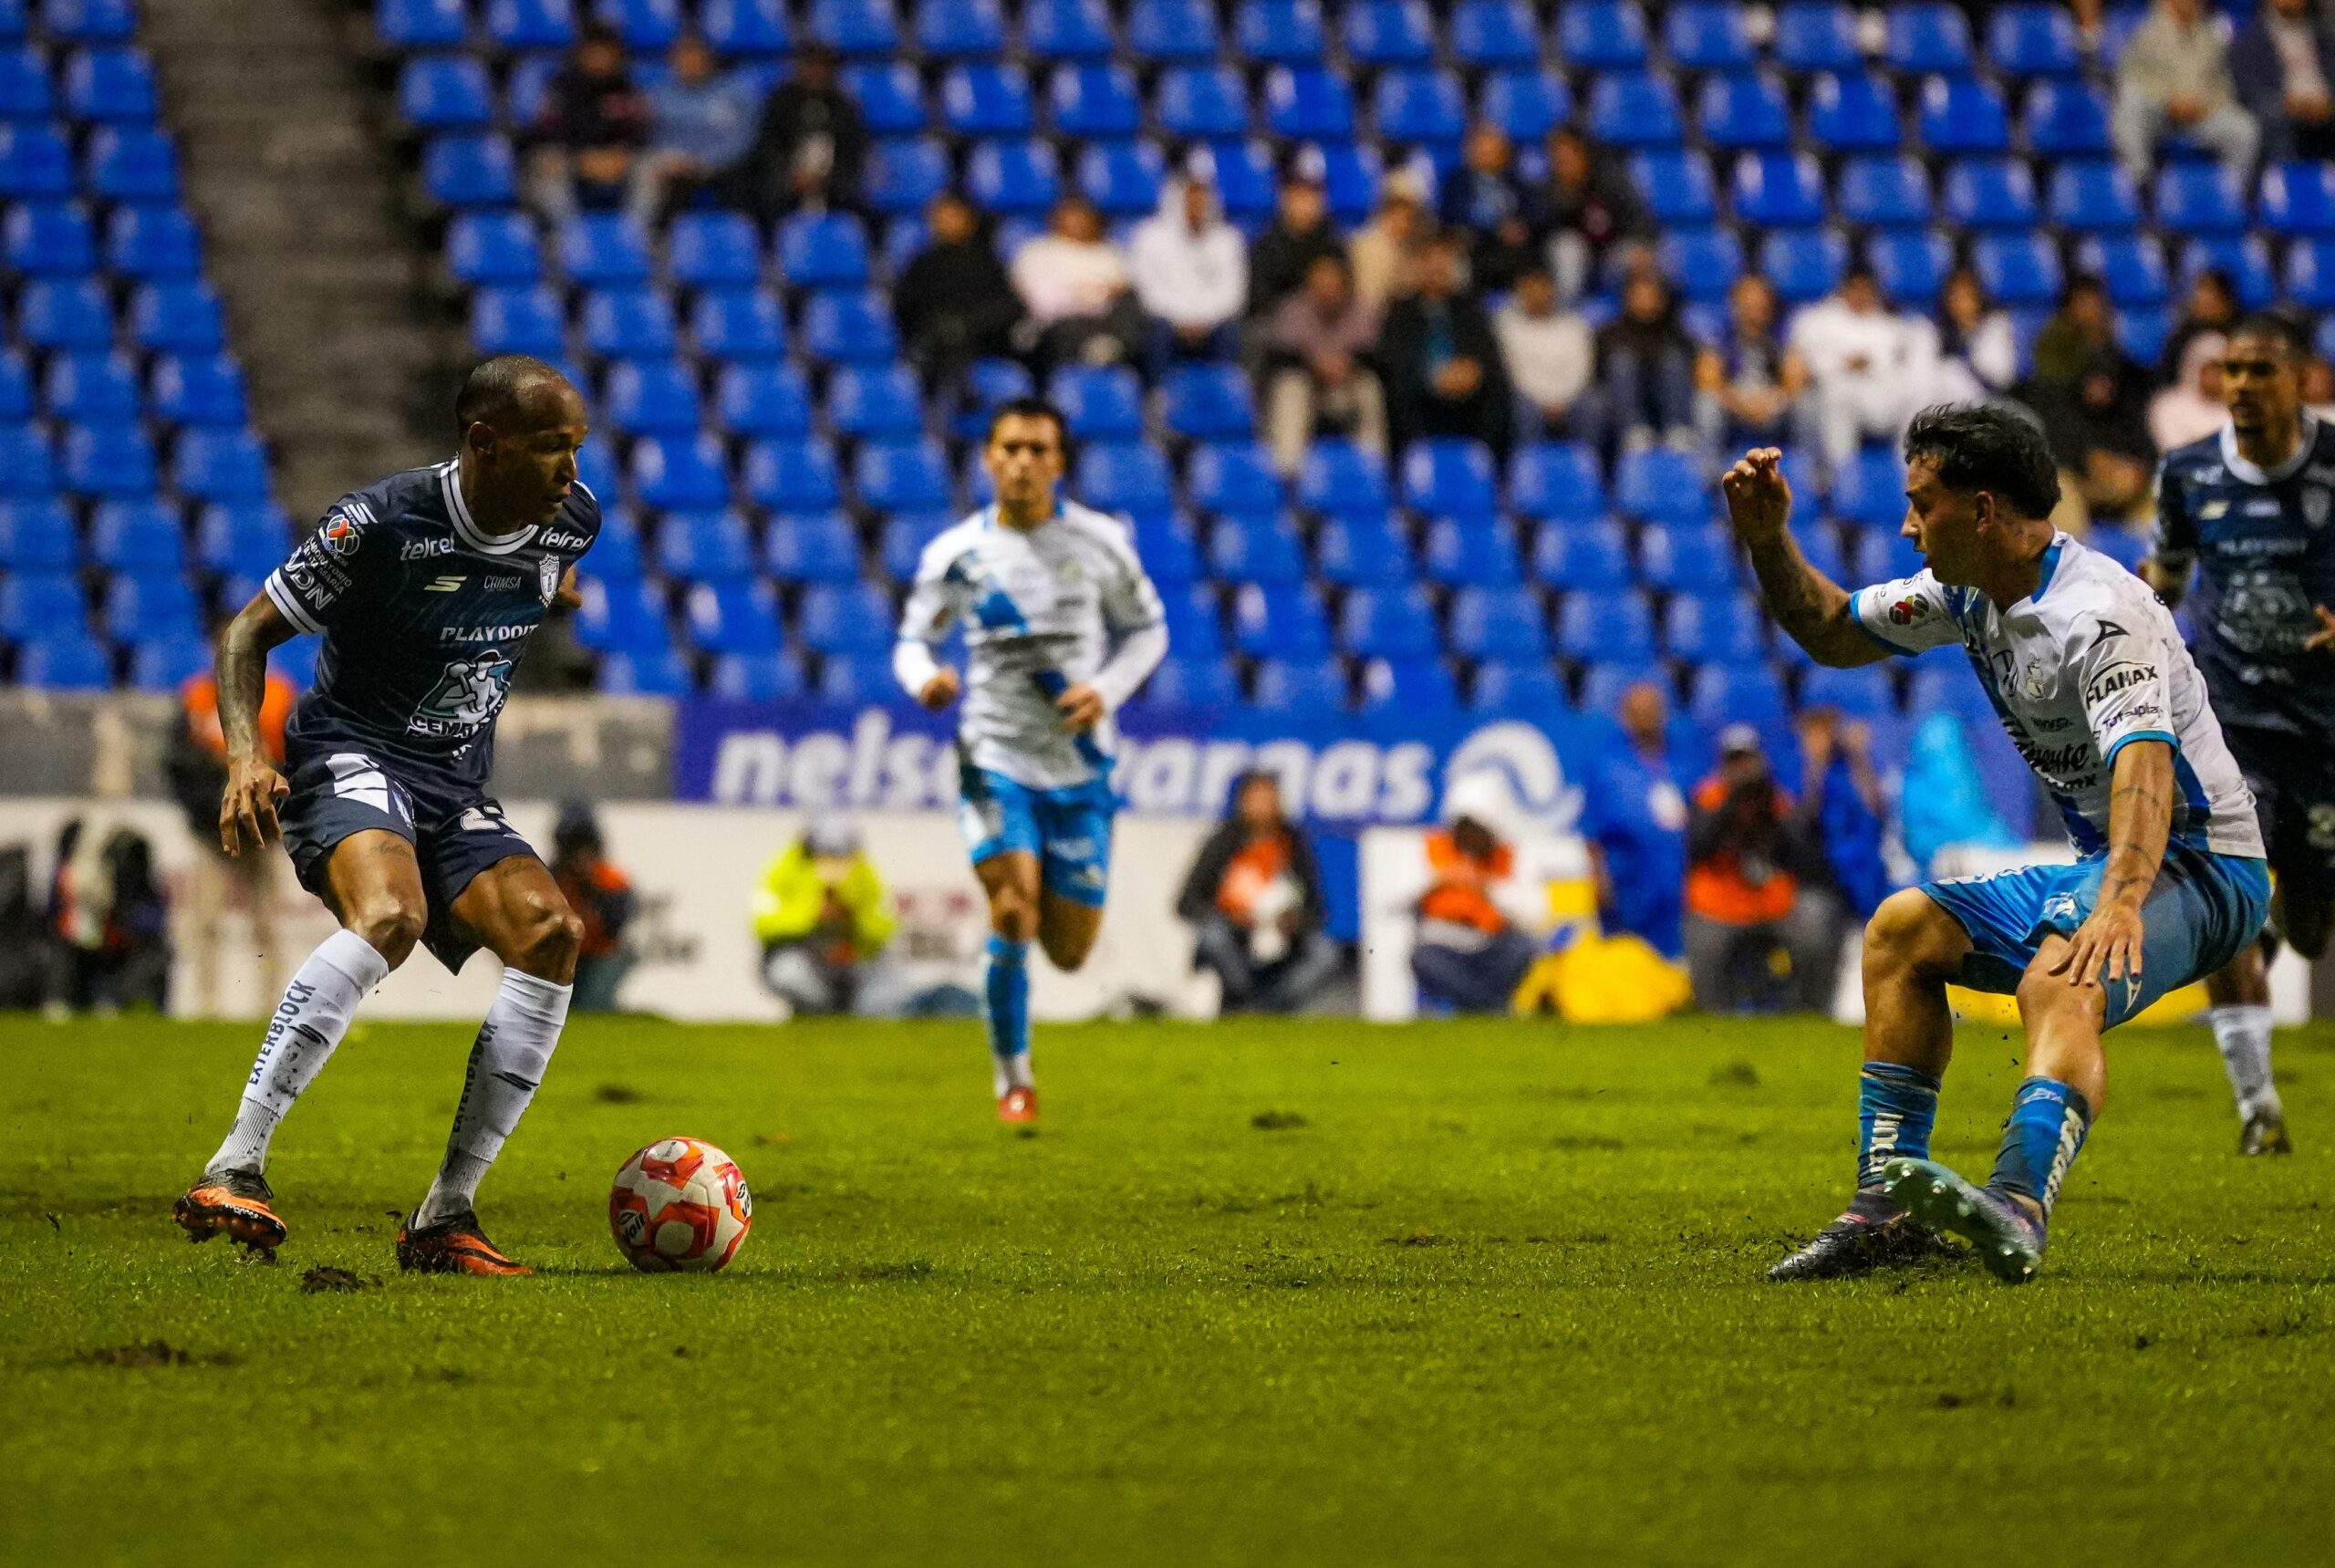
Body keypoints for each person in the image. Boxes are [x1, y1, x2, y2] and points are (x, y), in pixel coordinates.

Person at [1733, 405, 2268, 1285]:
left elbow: (2146, 770)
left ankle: (2017, 1205)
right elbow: (1830, 630)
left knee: (2058, 977)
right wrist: (1768, 540)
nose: (1907, 525)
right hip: (2110, 858)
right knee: (1902, 931)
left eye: (1922, 504)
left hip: (2203, 861)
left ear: (1982, 511)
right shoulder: (1963, 592)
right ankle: (1884, 1208)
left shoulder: (2101, 614)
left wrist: (2120, 903)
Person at [172, 356, 602, 1276]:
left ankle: (445, 1218)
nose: (570, 472)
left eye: (576, 449)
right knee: (389, 917)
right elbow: (247, 631)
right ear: (484, 444)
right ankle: (234, 1166)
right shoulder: (378, 524)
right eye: (549, 449)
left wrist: (541, 593)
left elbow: (536, 578)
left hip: (455, 780)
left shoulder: (569, 523)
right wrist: (249, 751)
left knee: (552, 932)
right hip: (350, 754)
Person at [894, 399, 1168, 1123]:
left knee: (1070, 951)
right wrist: (926, 678)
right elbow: (913, 640)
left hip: (1080, 767)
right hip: (995, 756)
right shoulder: (956, 554)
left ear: (1059, 462)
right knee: (1012, 908)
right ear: (988, 457)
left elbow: (1147, 631)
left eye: (1037, 449)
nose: (1021, 461)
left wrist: (1105, 690)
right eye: (1009, 447)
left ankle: (1017, 1040)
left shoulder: (1100, 541)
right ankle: (1013, 1077)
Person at [2144, 313, 2335, 1155]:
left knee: (2313, 931)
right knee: (2228, 905)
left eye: (2263, 370)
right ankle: (2258, 1106)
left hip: (2325, 735)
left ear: (2302, 379)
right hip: (2231, 730)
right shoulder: (2187, 475)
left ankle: (2291, 901)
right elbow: (2165, 580)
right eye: (2232, 370)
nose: (2244, 385)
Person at [166, 628, 294, 1016]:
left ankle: (273, 1007)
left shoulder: (278, 697)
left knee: (267, 923)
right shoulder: (196, 698)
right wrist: (209, 813)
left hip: (263, 831)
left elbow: (296, 765)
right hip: (211, 833)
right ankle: (206, 1005)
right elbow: (178, 764)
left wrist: (272, 815)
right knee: (204, 921)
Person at [1681, 724, 1837, 1012]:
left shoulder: (1776, 800)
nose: (1742, 768)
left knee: (1816, 916)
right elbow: (1698, 847)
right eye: (1734, 761)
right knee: (1702, 936)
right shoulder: (1708, 797)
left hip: (1772, 906)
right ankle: (1713, 1014)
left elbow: (1804, 854)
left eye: (1747, 760)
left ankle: (1811, 1010)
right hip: (1720, 908)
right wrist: (1733, 801)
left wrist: (1767, 811)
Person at [1176, 771, 1340, 1013]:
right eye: (1257, 798)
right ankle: (1243, 1000)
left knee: (1324, 952)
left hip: (1282, 938)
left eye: (1269, 798)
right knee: (1213, 936)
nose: (1263, 806)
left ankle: (1268, 1007)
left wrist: (1291, 922)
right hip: (1234, 937)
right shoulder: (1223, 842)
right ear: (1242, 802)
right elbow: (1186, 903)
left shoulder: (1293, 843)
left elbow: (1317, 907)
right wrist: (1232, 918)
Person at [1579, 680, 1688, 959]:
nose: (1646, 718)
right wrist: (1598, 877)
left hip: (1677, 875)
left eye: (1651, 710)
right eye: (1637, 711)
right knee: (1629, 959)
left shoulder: (1684, 761)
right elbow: (1591, 831)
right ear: (1623, 716)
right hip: (1627, 880)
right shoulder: (1606, 765)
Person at [1377, 234, 1512, 459]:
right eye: (1432, 262)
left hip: (1465, 391)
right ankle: (1415, 466)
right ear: (1420, 266)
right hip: (1421, 388)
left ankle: (1485, 467)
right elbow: (1392, 356)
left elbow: (1488, 354)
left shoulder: (1470, 308)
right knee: (1398, 388)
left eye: (1444, 262)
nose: (1437, 269)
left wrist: (1471, 371)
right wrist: (1432, 377)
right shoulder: (1401, 308)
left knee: (1498, 389)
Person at [752, 816, 898, 1017]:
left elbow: (884, 928)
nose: (833, 861)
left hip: (852, 960)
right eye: (825, 853)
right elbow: (763, 923)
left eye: (841, 855)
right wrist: (812, 913)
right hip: (807, 956)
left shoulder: (862, 871)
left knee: (885, 991)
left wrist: (853, 913)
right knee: (789, 973)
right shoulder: (785, 870)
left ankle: (858, 1018)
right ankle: (819, 1013)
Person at [1411, 790, 1540, 1013]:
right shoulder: (1434, 849)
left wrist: (1487, 887)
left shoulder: (1506, 857)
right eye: (1466, 829)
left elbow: (1534, 915)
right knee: (1423, 958)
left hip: (1491, 945)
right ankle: (1488, 1007)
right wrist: (1440, 879)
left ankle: (1482, 1005)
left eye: (1478, 831)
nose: (1472, 837)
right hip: (1444, 944)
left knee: (1523, 947)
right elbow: (1392, 896)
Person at [1788, 264, 1926, 469]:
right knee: (1837, 393)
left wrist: (1871, 365)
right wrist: (1843, 364)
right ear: (1844, 288)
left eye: (1866, 289)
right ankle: (1842, 472)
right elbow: (1805, 361)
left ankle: (1907, 468)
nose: (1860, 294)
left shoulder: (1888, 324)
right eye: (1854, 288)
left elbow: (1896, 365)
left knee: (1918, 395)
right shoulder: (1818, 319)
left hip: (1879, 392)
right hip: (1834, 393)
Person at [2112, 0, 2261, 186]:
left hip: (2201, 114)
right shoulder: (2146, 33)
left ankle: (2235, 193)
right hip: (2160, 112)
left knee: (2243, 128)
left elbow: (2225, 85)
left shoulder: (2212, 35)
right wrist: (2168, 99)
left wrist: (2204, 104)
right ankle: (2142, 186)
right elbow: (2131, 78)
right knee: (2130, 108)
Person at [1263, 251, 1387, 473]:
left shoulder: (1363, 309)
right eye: (1320, 286)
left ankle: (1371, 470)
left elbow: (1377, 357)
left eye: (1333, 286)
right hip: (1309, 387)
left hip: (1347, 386)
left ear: (1345, 286)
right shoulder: (1294, 308)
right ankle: (1288, 474)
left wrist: (1349, 363)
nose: (1327, 292)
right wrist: (1314, 365)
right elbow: (1280, 358)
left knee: (1370, 386)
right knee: (1290, 387)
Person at [895, 191, 1021, 398]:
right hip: (935, 343)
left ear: (970, 221)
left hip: (983, 338)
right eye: (941, 217)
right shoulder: (922, 264)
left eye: (954, 216)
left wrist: (970, 324)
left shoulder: (988, 263)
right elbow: (906, 307)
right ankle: (955, 399)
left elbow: (1009, 306)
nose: (947, 223)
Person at [629, 33, 758, 228]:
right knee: (650, 172)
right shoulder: (657, 97)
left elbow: (743, 138)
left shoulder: (734, 94)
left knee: (747, 180)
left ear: (709, 61)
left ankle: (748, 242)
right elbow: (649, 137)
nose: (691, 65)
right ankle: (646, 238)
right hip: (673, 164)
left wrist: (704, 162)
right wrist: (674, 160)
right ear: (673, 62)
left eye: (697, 59)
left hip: (723, 166)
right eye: (684, 59)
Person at [523, 20, 648, 220]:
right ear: (582, 54)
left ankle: (636, 235)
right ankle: (566, 236)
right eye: (595, 53)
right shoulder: (561, 88)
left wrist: (622, 153)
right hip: (571, 158)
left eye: (607, 53)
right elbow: (545, 132)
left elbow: (639, 131)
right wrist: (581, 158)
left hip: (616, 160)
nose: (601, 59)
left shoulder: (627, 90)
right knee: (546, 163)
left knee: (652, 167)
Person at [1128, 170, 1249, 371]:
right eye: (1191, 202)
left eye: (1202, 202)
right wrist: (1181, 319)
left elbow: (1233, 294)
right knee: (1155, 330)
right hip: (1166, 320)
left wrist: (1203, 320)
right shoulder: (1149, 237)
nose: (1197, 208)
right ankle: (1159, 394)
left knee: (1233, 331)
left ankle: (1225, 391)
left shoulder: (1228, 240)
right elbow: (1146, 290)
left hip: (1213, 323)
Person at [1010, 197, 1147, 372]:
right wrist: (1095, 294)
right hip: (1060, 322)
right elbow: (1042, 300)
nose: (1078, 222)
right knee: (1067, 325)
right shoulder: (1037, 252)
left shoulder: (1108, 253)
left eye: (1083, 216)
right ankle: (1096, 351)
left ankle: (1110, 348)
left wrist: (1089, 293)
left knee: (1132, 304)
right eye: (1071, 216)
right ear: (1056, 219)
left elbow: (1123, 290)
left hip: (1107, 320)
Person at [734, 40, 867, 221]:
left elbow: (853, 153)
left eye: (823, 67)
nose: (817, 73)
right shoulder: (780, 102)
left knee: (857, 208)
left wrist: (825, 181)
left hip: (834, 186)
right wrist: (790, 177)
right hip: (785, 182)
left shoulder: (845, 107)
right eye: (811, 66)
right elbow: (769, 146)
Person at [2029, 346, 2156, 528]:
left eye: (2105, 383)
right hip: (2078, 487)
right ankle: (2070, 553)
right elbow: (2054, 458)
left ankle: (2151, 553)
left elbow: (2147, 454)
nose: (2100, 389)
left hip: (2121, 489)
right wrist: (2089, 460)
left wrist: (2133, 470)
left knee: (2157, 491)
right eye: (2094, 381)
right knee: (2060, 487)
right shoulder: (2062, 410)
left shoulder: (2126, 412)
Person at [1694, 273, 1811, 458]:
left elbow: (1795, 380)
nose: (1754, 311)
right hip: (1734, 410)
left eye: (1760, 304)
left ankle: (1808, 470)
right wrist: (1739, 403)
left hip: (1772, 409)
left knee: (1806, 402)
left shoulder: (1782, 339)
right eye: (1748, 304)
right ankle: (1710, 474)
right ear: (1736, 305)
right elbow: (1708, 380)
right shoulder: (1720, 338)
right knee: (1706, 403)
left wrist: (1771, 401)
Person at [1537, 125, 1653, 304]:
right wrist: (1568, 194)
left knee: (1648, 255)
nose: (1564, 159)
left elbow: (1638, 218)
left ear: (1583, 152)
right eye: (1558, 155)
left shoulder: (1610, 179)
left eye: (1569, 152)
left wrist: (1639, 245)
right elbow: (1548, 234)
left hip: (1612, 257)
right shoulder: (1549, 188)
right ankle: (1566, 314)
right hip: (1577, 263)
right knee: (1568, 249)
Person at [1595, 267, 1697, 454]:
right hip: (1622, 406)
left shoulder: (1677, 335)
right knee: (1621, 363)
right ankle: (1633, 432)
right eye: (1639, 295)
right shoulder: (1608, 334)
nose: (1645, 300)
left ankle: (1678, 430)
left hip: (1666, 400)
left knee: (1673, 361)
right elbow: (1599, 377)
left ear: (1662, 299)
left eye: (1650, 295)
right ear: (1627, 298)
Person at [1495, 266, 1598, 446]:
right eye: (1529, 289)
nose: (1535, 295)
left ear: (1551, 291)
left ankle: (1586, 465)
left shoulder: (1573, 326)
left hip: (1570, 397)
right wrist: (1545, 401)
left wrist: (1561, 400)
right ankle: (1529, 467)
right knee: (1521, 406)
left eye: (1540, 289)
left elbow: (1581, 370)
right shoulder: (1507, 327)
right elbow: (1514, 374)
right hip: (1528, 397)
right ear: (1519, 293)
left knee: (1594, 404)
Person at [549, 800, 636, 1013]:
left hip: (604, 954)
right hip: (564, 957)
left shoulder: (611, 881)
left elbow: (614, 926)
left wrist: (592, 890)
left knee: (592, 1005)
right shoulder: (551, 880)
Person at [2232, 0, 2335, 164]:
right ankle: (2288, 183)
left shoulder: (2325, 35)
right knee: (2274, 119)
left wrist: (2328, 102)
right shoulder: (2250, 38)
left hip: (2325, 104)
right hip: (2280, 106)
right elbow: (2249, 89)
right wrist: (2290, 105)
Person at [1438, 122, 1536, 294]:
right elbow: (1448, 215)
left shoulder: (1517, 183)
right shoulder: (1456, 183)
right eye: (1481, 150)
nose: (1487, 155)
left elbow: (1532, 213)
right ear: (1470, 152)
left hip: (1508, 246)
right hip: (1472, 243)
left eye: (1493, 150)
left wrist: (1522, 227)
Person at [1245, 167, 1344, 324]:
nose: (1306, 205)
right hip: (1280, 326)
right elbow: (1259, 299)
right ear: (1286, 200)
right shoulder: (1266, 246)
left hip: (1327, 325)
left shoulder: (1333, 244)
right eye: (1299, 197)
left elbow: (1344, 292)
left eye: (1312, 197)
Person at [1927, 266, 2019, 405]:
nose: (1962, 303)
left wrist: (1972, 340)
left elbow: (2002, 376)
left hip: (1992, 402)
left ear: (1978, 297)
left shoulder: (1995, 326)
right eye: (1955, 296)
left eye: (1967, 296)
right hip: (1948, 405)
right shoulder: (1936, 331)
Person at [1347, 176, 1429, 315]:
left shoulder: (1415, 244)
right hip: (1372, 321)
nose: (1403, 219)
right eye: (1398, 209)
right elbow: (1369, 303)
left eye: (1410, 213)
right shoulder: (1368, 245)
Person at [2149, 329, 2230, 451]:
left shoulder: (2241, 407)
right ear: (2196, 369)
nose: (2220, 376)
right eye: (2214, 369)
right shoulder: (2168, 406)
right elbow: (2179, 455)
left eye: (2226, 369)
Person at [2157, 268, 2239, 389]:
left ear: (2225, 298)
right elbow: (2168, 380)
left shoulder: (2240, 336)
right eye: (2199, 291)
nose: (2201, 298)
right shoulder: (2180, 338)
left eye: (2209, 292)